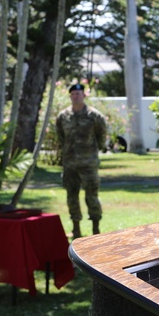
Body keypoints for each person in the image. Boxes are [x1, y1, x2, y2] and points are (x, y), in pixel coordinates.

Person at [56, 82, 107, 238]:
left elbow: (101, 136)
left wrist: (92, 152)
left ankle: (95, 228)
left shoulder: (94, 116)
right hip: (70, 164)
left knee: (91, 196)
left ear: (84, 95)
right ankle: (76, 228)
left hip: (88, 164)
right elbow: (60, 138)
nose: (75, 96)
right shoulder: (63, 116)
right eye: (72, 94)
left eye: (78, 93)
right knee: (72, 196)